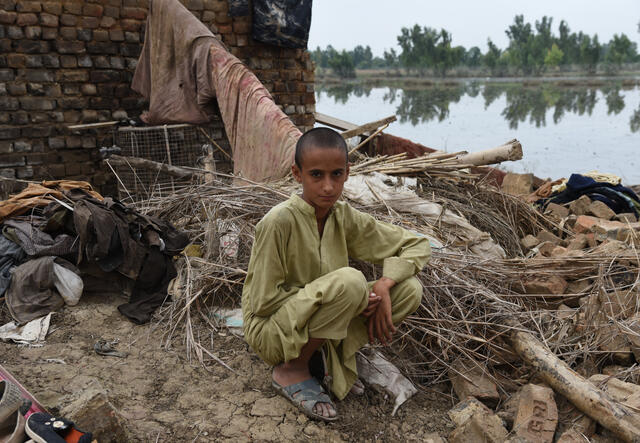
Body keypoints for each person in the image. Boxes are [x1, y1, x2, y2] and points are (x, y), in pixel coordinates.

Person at [242, 127, 430, 421]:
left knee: (409, 289)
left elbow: (416, 244)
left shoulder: (343, 217)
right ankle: (292, 370)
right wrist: (339, 296)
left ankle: (332, 356)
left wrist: (384, 283)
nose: (328, 187)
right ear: (297, 173)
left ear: (347, 172)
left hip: (315, 321)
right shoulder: (278, 222)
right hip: (271, 332)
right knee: (351, 282)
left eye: (336, 175)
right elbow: (263, 302)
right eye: (316, 175)